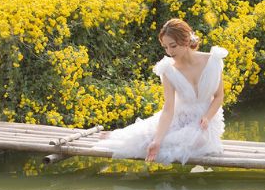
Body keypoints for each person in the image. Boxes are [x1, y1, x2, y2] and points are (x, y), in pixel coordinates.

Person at [94, 18, 228, 164]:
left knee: (198, 141)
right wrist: (157, 141)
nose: (169, 52)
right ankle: (117, 136)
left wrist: (207, 117)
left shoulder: (213, 60)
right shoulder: (168, 70)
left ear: (187, 40)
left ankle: (119, 135)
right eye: (165, 47)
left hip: (205, 121)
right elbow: (168, 109)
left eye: (173, 46)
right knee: (147, 141)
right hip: (179, 117)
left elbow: (219, 96)